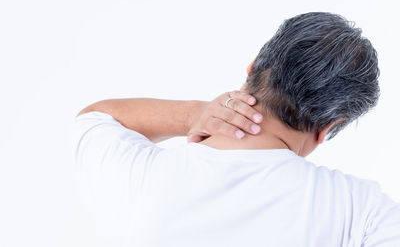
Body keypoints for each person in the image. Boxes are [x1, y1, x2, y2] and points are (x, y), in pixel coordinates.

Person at [73, 12, 400, 246]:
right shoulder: (361, 210)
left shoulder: (138, 176)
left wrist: (193, 115)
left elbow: (95, 117)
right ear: (329, 126)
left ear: (253, 67)